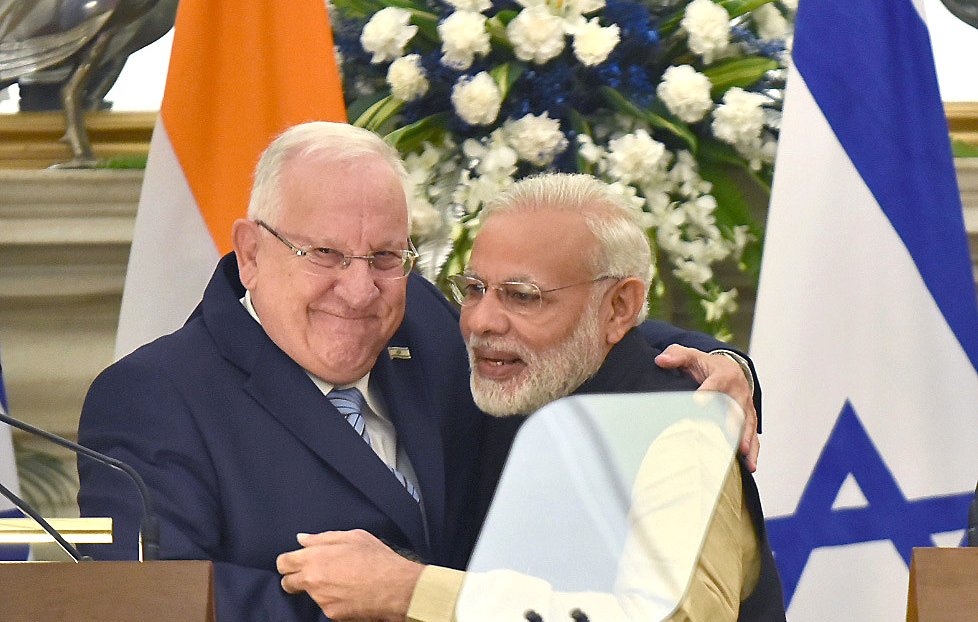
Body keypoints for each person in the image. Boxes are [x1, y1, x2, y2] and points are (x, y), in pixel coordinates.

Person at [78, 123, 762, 621]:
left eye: (385, 257)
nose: (359, 290)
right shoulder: (152, 397)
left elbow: (564, 330)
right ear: (252, 252)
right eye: (324, 254)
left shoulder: (423, 326)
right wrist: (400, 602)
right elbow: (150, 602)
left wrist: (723, 364)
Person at [276, 173, 785, 621]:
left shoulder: (682, 431)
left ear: (619, 307)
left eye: (523, 296)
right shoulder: (510, 384)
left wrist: (409, 590)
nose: (480, 322)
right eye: (474, 289)